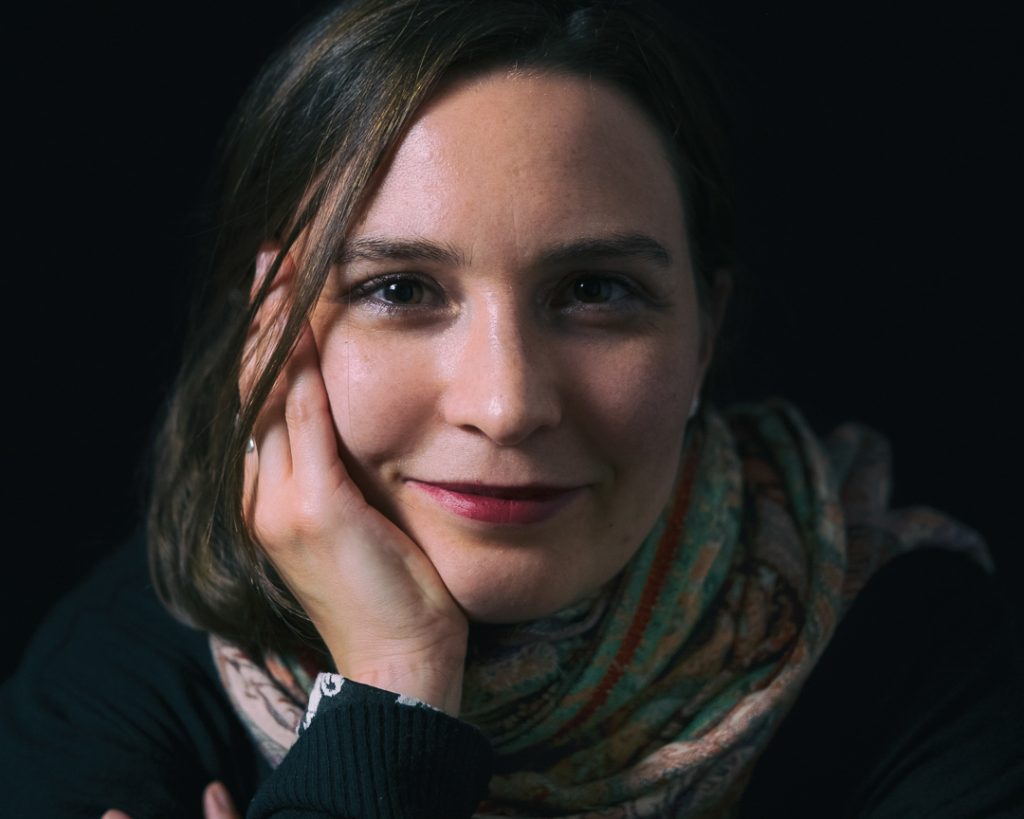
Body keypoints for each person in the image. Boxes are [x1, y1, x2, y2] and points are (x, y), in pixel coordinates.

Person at [3, 1, 1021, 817]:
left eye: (595, 291)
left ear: (703, 333)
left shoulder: (919, 659)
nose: (505, 403)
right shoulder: (129, 667)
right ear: (272, 329)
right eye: (398, 289)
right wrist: (392, 686)